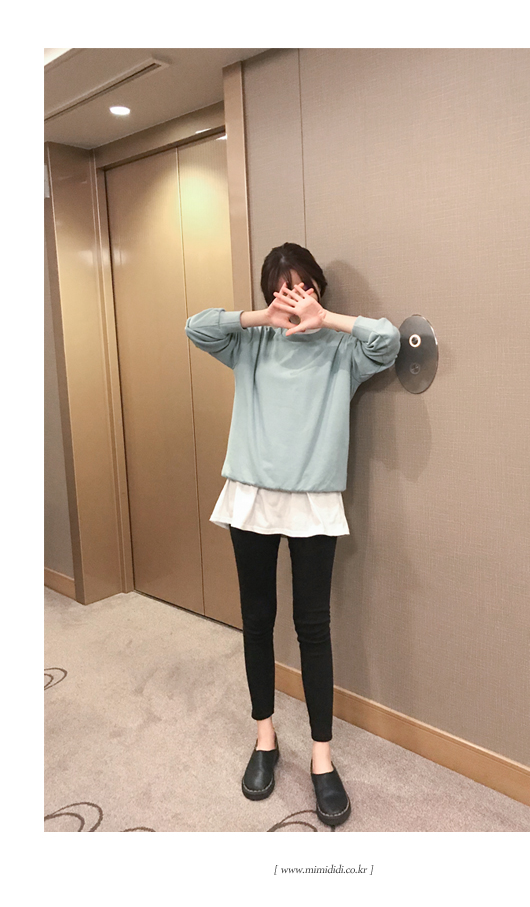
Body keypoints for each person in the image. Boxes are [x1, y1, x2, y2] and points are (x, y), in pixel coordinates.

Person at [185, 242, 401, 826]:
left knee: (313, 628)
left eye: (304, 286)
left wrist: (326, 319)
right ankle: (265, 739)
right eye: (283, 289)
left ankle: (322, 758)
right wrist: (261, 317)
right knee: (257, 620)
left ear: (318, 289)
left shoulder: (342, 349)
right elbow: (196, 327)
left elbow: (386, 340)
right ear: (269, 296)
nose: (295, 296)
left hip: (313, 503)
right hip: (251, 498)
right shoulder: (250, 342)